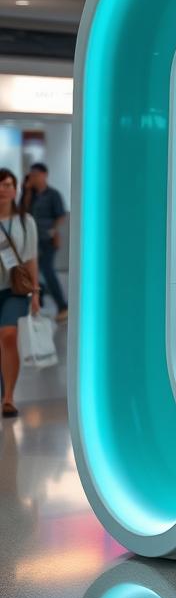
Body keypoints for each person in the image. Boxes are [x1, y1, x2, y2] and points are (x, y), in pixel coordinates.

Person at [0, 168, 40, 418]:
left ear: (15, 190)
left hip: (14, 289)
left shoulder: (26, 222)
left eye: (8, 185)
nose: (4, 189)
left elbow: (32, 260)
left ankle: (9, 397)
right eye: (0, 184)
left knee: (8, 335)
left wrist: (35, 293)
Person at [21, 163, 67, 323]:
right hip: (32, 240)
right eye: (31, 173)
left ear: (44, 174)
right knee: (30, 272)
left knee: (47, 270)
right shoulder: (30, 195)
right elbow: (24, 211)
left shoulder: (53, 194)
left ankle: (62, 306)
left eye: (36, 173)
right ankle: (38, 304)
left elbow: (60, 215)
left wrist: (55, 232)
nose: (33, 176)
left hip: (48, 238)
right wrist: (26, 190)